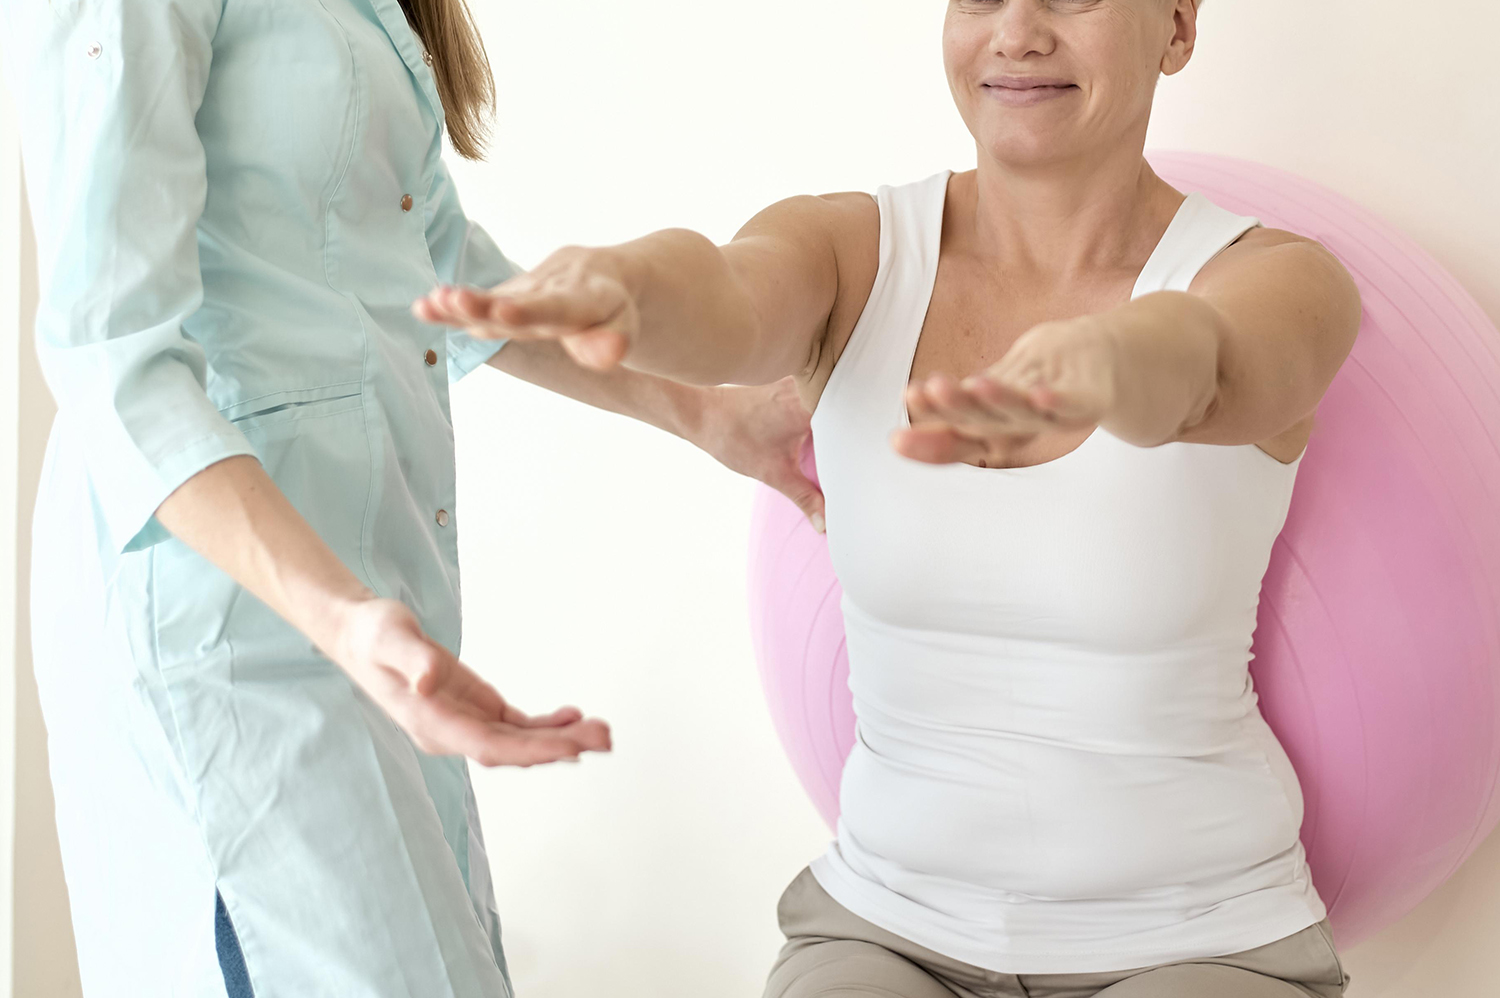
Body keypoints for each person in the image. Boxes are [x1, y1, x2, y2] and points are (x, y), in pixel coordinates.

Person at [415, 1, 1363, 995]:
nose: (1018, 32)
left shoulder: (1278, 277)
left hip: (1200, 935)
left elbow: (1212, 362)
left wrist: (1103, 364)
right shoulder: (852, 250)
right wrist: (629, 289)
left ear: (1175, 23)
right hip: (887, 929)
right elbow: (730, 292)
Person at [0, 0, 816, 993]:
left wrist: (707, 415)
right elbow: (113, 365)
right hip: (227, 626)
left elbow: (439, 266)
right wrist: (340, 619)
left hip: (371, 611)